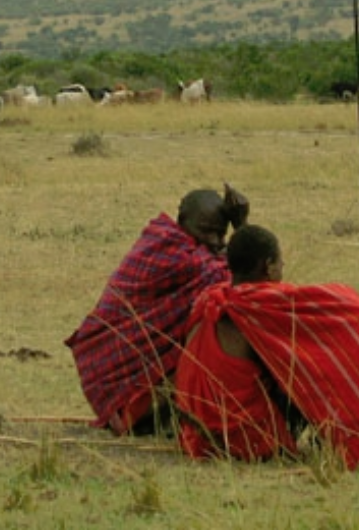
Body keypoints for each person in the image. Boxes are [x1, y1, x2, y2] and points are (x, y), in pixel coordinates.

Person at [174, 225, 359, 469]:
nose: (283, 269)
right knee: (312, 365)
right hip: (245, 439)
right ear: (268, 266)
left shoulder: (209, 298)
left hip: (196, 434)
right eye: (280, 262)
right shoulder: (263, 306)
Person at [65, 183, 250, 436]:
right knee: (222, 323)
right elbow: (246, 280)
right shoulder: (175, 255)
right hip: (130, 402)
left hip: (126, 394)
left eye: (221, 234)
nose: (216, 242)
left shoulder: (185, 248)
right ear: (182, 221)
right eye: (207, 232)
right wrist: (243, 228)